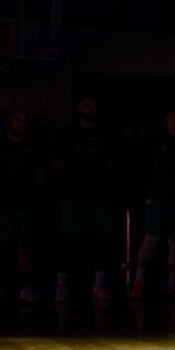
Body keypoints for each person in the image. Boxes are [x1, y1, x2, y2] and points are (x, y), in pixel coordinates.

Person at [53, 96, 115, 302]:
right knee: (69, 241)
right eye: (87, 105)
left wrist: (105, 183)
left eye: (94, 105)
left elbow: (111, 162)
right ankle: (62, 285)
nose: (91, 108)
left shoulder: (104, 133)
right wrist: (65, 187)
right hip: (73, 196)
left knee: (100, 241)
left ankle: (99, 285)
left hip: (99, 196)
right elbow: (58, 162)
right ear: (79, 108)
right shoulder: (67, 133)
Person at [130, 108, 175, 299]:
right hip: (157, 199)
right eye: (173, 116)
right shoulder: (155, 141)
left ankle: (172, 283)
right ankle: (139, 279)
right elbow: (142, 166)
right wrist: (148, 194)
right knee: (151, 238)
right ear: (167, 119)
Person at [0, 110, 44, 303]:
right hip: (3, 204)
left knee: (26, 246)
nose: (21, 123)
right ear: (9, 123)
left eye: (24, 120)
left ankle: (25, 287)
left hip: (27, 204)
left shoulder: (33, 148)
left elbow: (39, 176)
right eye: (17, 120)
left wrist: (33, 196)